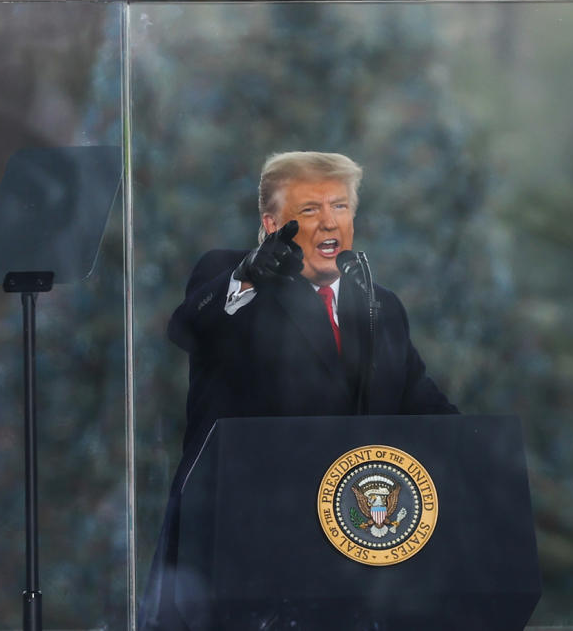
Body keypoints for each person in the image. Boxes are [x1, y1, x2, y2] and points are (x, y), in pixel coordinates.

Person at [140, 150, 457, 630]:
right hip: (238, 549)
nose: (329, 221)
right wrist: (248, 273)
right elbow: (188, 328)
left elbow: (420, 400)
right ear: (272, 225)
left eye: (340, 206)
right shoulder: (234, 279)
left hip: (350, 553)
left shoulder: (379, 305)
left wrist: (476, 450)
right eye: (310, 210)